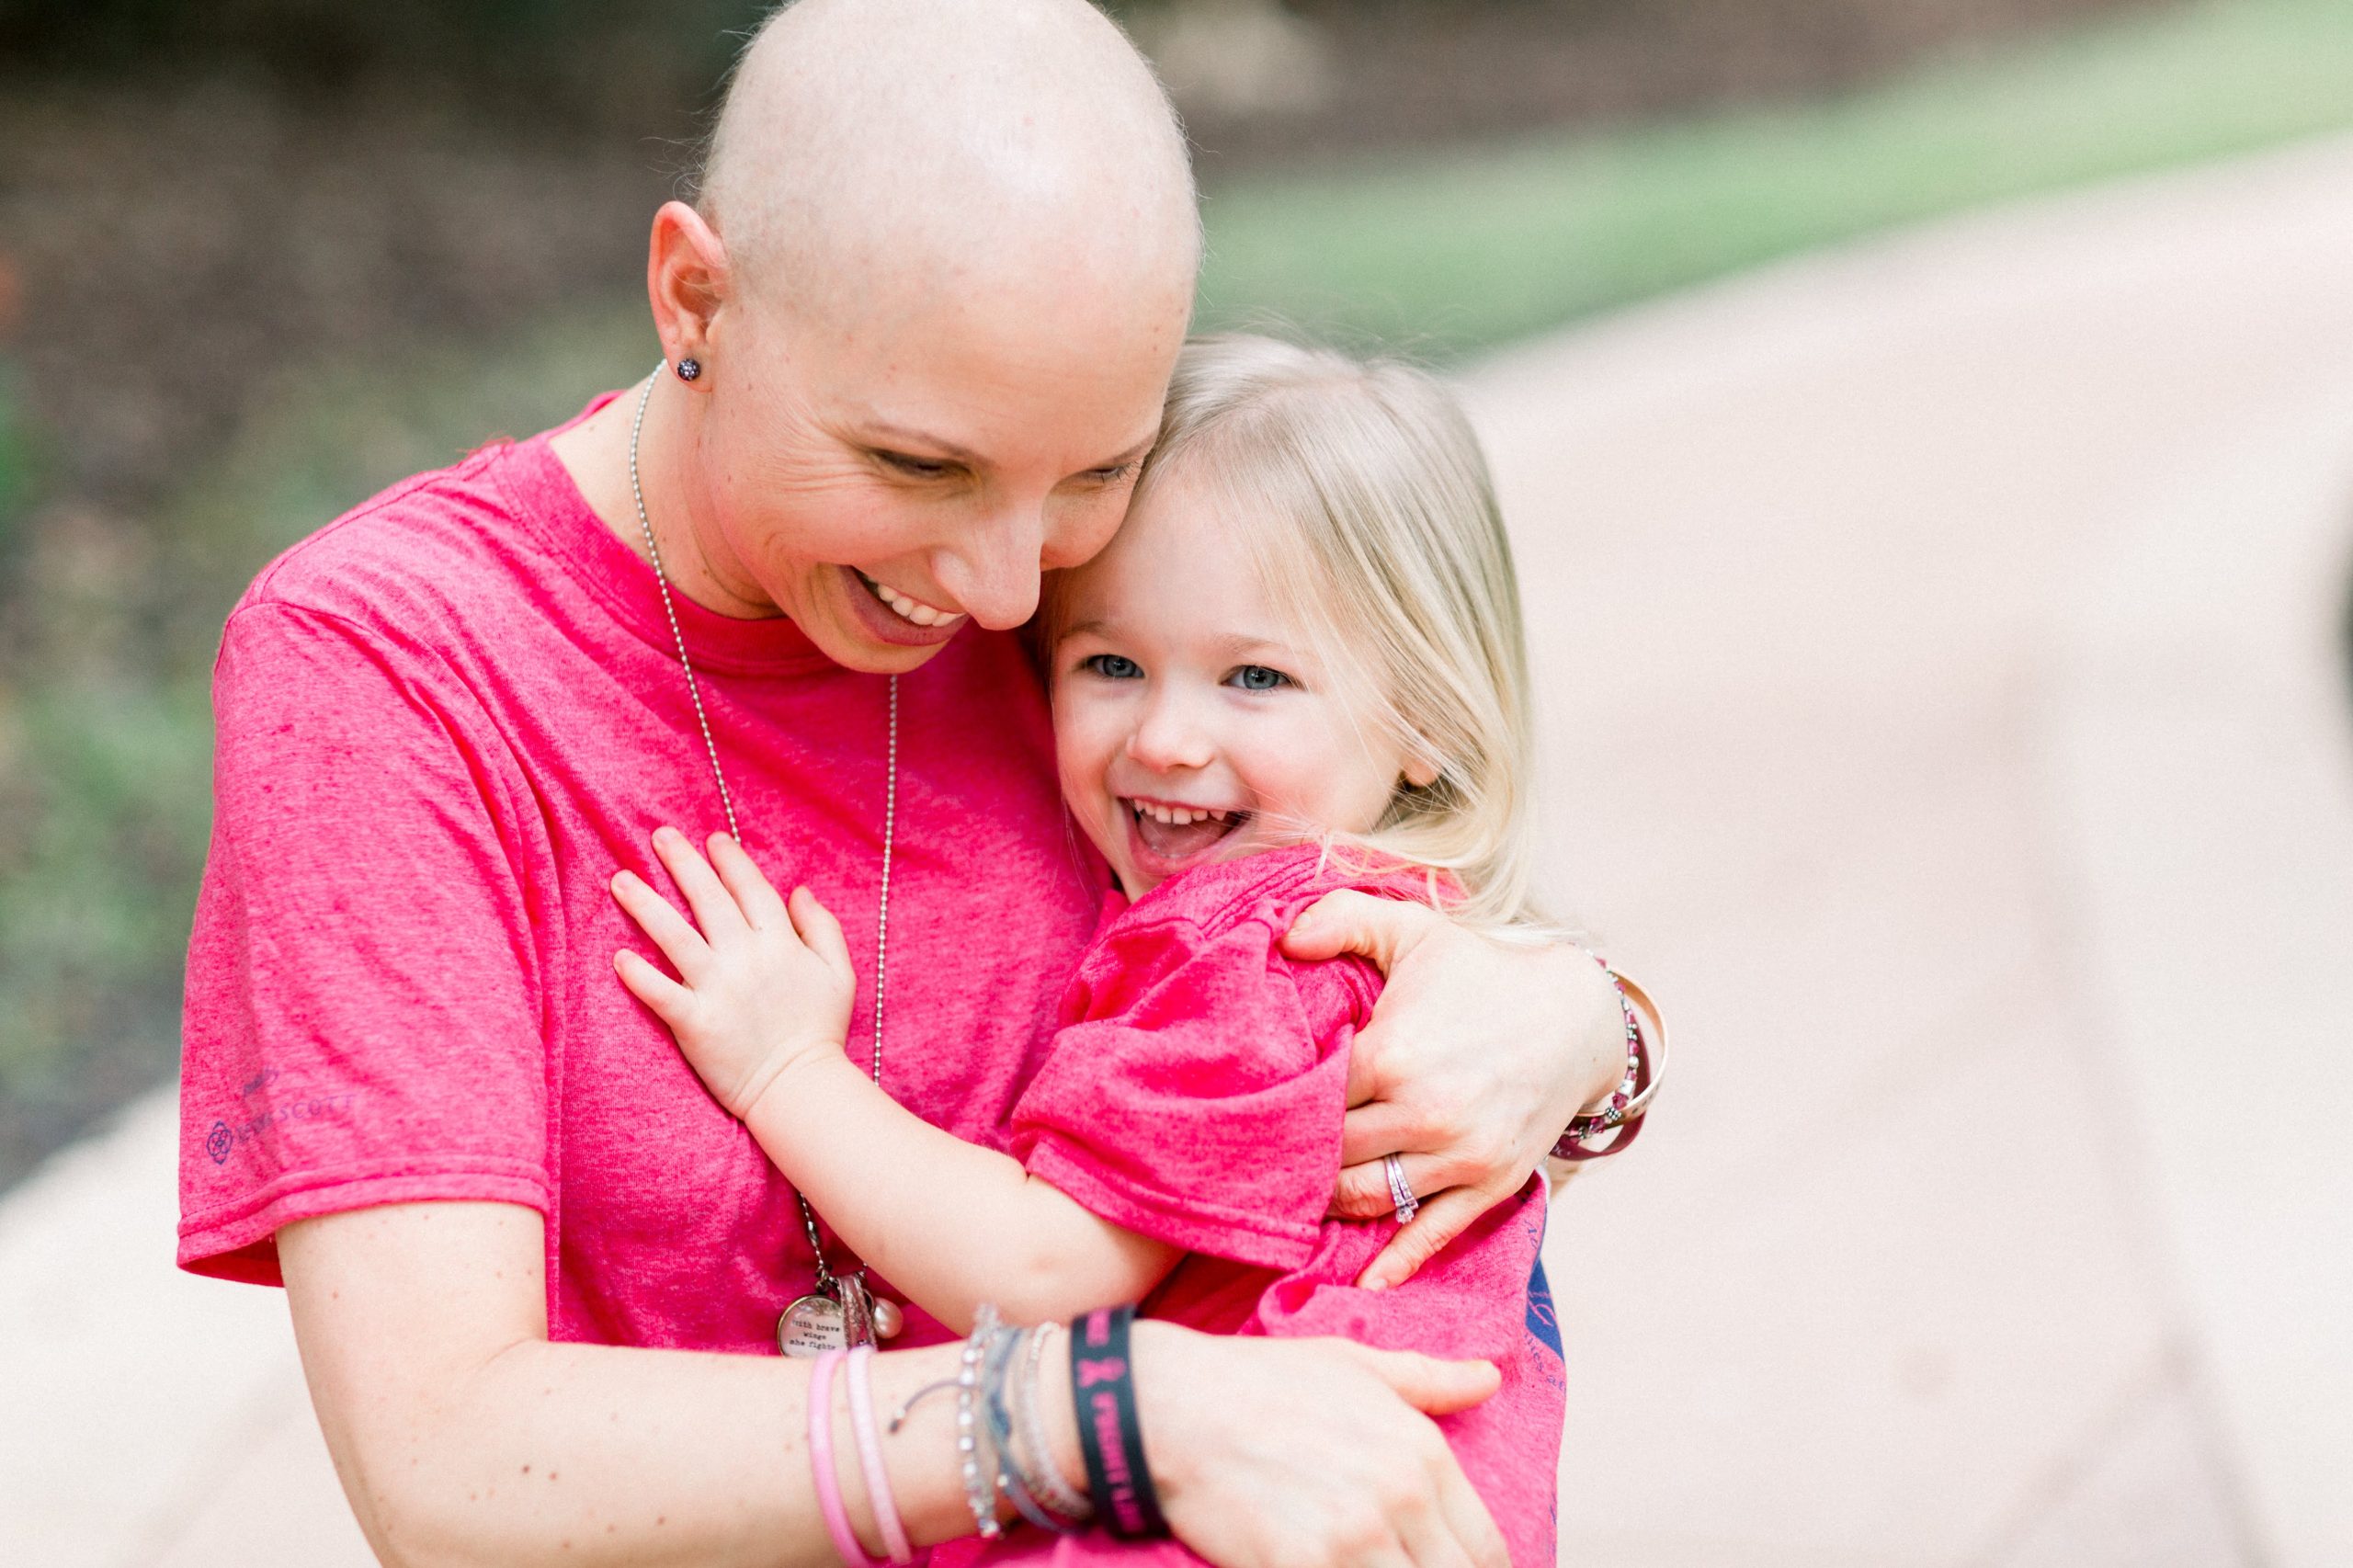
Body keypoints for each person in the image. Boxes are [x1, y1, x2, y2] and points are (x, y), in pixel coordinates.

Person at [175, 4, 1634, 1564]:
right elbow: (449, 1468)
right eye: (919, 469)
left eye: (1091, 470)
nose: (1005, 594)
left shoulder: (1102, 622)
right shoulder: (395, 665)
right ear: (697, 298)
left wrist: (1584, 1021)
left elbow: (1334, 858)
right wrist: (1093, 1411)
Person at [615, 334, 1643, 1568]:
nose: (1164, 733)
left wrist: (786, 1069)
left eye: (1253, 676)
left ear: (1426, 717)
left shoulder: (1255, 948)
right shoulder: (1394, 921)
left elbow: (1045, 1268)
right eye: (1109, 661)